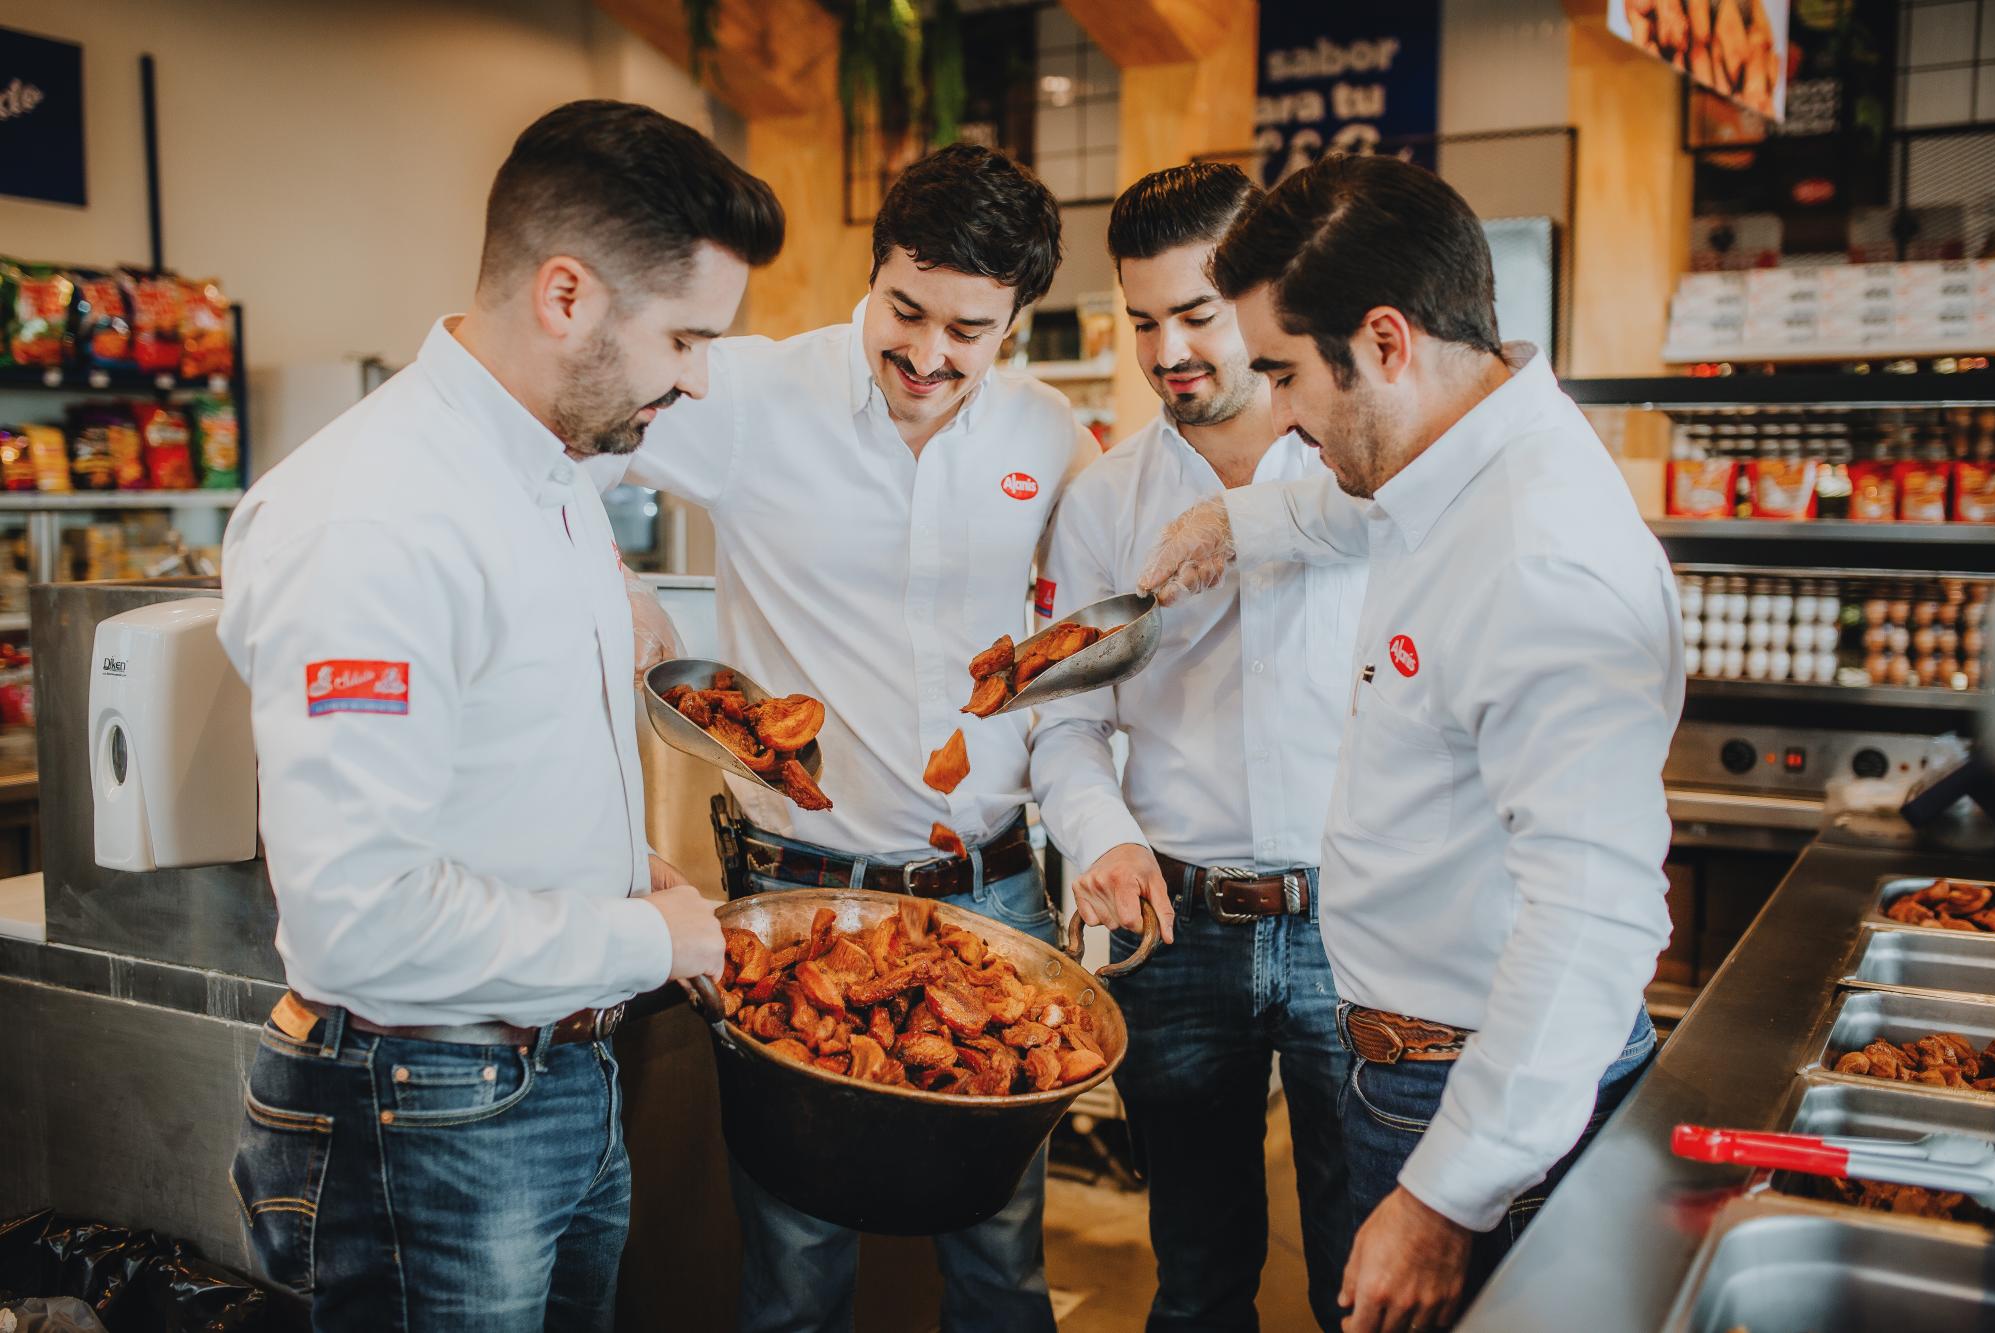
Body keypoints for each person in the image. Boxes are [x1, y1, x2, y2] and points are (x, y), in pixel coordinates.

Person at [217, 101, 782, 1331]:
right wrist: (645, 940)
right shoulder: (373, 519)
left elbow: (498, 764)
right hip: (425, 1109)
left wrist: (617, 866)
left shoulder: (551, 476)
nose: (696, 378)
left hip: (550, 1077)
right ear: (565, 296)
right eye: (685, 338)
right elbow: (360, 922)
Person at [1137, 153, 1682, 1333]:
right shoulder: (1449, 466)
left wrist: (1444, 1196)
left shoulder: (1539, 558)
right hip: (1412, 1069)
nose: (1277, 414)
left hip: (1477, 1100)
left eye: (1284, 373)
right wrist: (1230, 517)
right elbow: (1337, 513)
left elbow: (1594, 914)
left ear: (1384, 342)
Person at [597, 143, 1097, 1333]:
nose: (926, 355)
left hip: (993, 897)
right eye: (903, 310)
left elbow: (1099, 610)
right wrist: (608, 577)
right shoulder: (750, 394)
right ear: (872, 272)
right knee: (793, 1263)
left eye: (967, 331)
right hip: (798, 897)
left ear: (1014, 322)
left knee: (1001, 1260)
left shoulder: (1047, 435)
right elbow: (551, 427)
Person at [1028, 162, 1363, 1332]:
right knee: (1195, 1276)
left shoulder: (1356, 465)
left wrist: (1239, 521)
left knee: (1363, 1276)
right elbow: (1066, 718)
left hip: (1355, 920)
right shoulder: (1101, 501)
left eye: (1197, 315)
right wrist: (1102, 838)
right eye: (1142, 321)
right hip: (1174, 927)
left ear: (1264, 298)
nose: (1166, 351)